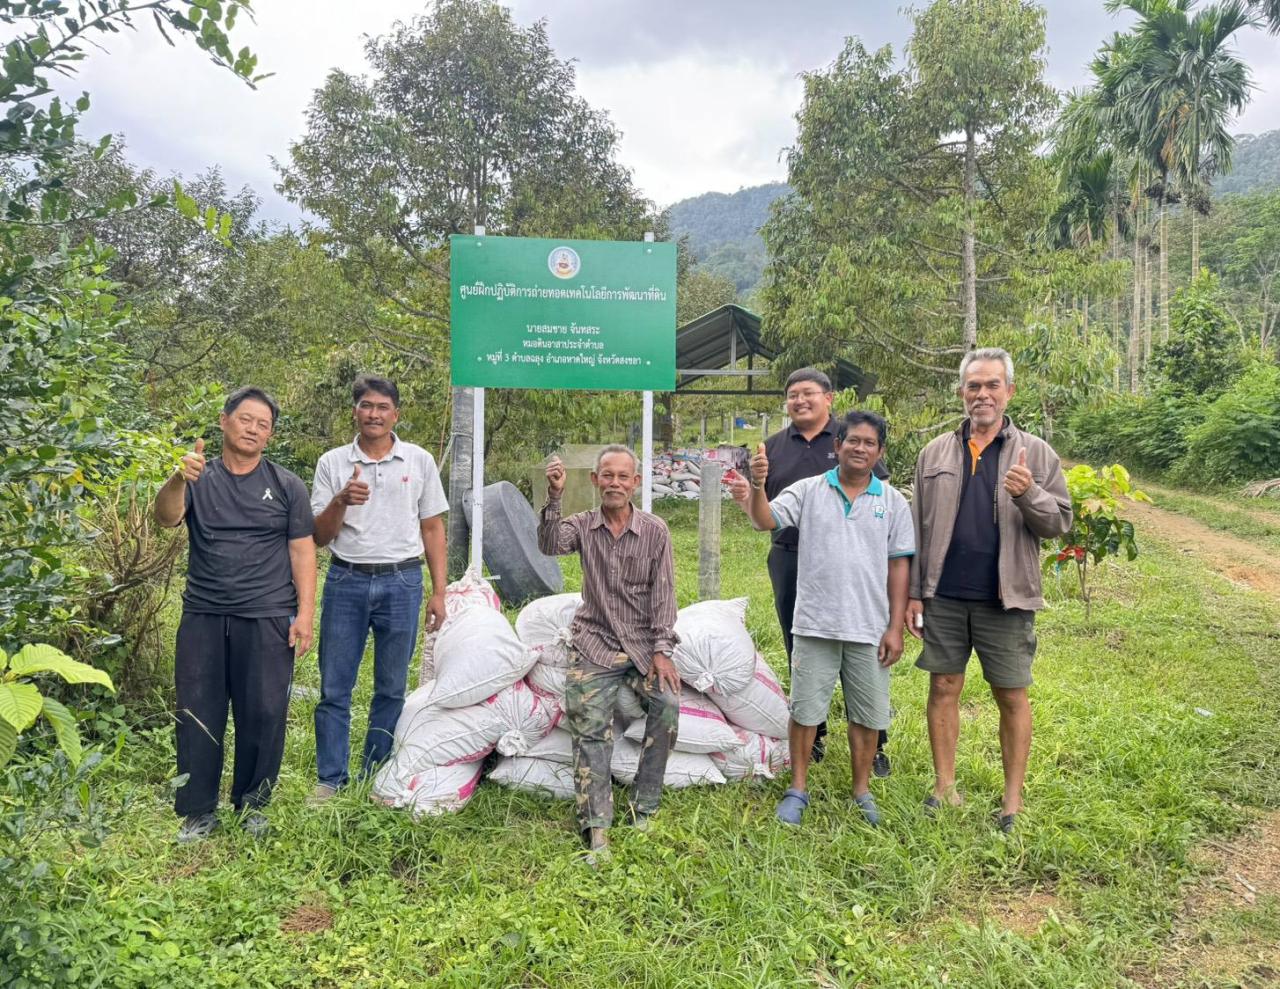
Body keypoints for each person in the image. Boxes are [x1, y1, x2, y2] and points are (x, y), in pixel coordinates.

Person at [906, 347, 1072, 833]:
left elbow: (1058, 523)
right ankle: (944, 787)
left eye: (992, 385)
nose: (982, 394)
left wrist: (1028, 492)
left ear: (1009, 392)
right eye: (974, 386)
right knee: (943, 687)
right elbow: (916, 527)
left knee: (1012, 694)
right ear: (962, 393)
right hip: (945, 595)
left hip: (1007, 597)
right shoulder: (934, 452)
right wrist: (916, 592)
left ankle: (1012, 801)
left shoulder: (1036, 453)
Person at [155, 386, 316, 843]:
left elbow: (303, 552)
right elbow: (166, 518)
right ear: (224, 421)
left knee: (264, 713)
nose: (253, 429)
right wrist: (178, 479)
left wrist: (305, 614)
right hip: (204, 614)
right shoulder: (198, 478)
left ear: (270, 436)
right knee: (197, 711)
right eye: (246, 419)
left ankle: (253, 806)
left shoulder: (287, 485)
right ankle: (197, 811)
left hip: (267, 616)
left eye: (263, 424)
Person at [740, 411, 913, 827]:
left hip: (869, 628)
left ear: (880, 452)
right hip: (815, 623)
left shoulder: (892, 502)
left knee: (868, 716)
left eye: (869, 443)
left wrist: (894, 626)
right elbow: (765, 520)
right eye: (852, 440)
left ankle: (861, 790)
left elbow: (899, 565)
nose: (860, 448)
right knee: (805, 712)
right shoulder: (808, 491)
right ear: (837, 446)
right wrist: (758, 486)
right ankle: (798, 788)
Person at [729, 368, 892, 774]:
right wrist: (748, 495)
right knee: (799, 642)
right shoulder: (771, 447)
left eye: (809, 394)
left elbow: (879, 492)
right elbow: (762, 511)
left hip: (852, 558)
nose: (800, 401)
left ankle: (876, 743)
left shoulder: (849, 438)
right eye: (792, 396)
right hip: (792, 556)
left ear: (828, 398)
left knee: (863, 646)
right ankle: (812, 733)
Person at [537, 444, 681, 863]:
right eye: (607, 476)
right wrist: (554, 496)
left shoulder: (655, 530)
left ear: (635, 483)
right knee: (589, 727)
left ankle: (645, 805)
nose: (615, 483)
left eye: (623, 476)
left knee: (668, 703)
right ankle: (597, 828)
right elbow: (549, 544)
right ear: (595, 481)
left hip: (641, 646)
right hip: (594, 644)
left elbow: (664, 597)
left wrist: (661, 650)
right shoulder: (583, 525)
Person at [308, 376, 448, 802]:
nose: (374, 414)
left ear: (396, 415)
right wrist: (341, 500)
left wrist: (438, 591)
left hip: (403, 581)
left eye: (383, 407)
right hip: (346, 578)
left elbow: (432, 527)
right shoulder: (332, 463)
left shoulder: (418, 460)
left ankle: (377, 773)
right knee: (335, 687)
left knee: (391, 687)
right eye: (366, 406)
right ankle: (330, 779)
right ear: (355, 412)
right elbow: (317, 535)